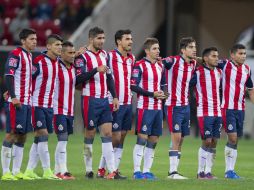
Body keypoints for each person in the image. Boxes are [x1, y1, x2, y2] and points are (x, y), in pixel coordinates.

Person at [53, 41, 107, 180]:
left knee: (62, 140)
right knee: (62, 139)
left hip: (69, 109)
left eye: (73, 52)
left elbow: (76, 84)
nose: (73, 56)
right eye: (69, 53)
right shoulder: (56, 65)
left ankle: (56, 170)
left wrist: (75, 56)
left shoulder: (71, 68)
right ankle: (64, 171)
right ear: (61, 54)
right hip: (57, 108)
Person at [74, 26, 120, 179]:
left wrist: (114, 96)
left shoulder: (105, 55)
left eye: (103, 38)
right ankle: (88, 170)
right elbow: (78, 79)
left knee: (107, 134)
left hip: (104, 99)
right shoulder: (82, 57)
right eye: (99, 38)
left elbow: (109, 77)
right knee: (90, 134)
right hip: (90, 100)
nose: (102, 41)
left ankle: (112, 171)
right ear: (91, 39)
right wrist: (95, 70)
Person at [23, 34, 63, 180]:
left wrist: (79, 53)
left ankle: (29, 171)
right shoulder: (39, 62)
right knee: (43, 134)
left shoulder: (57, 62)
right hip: (37, 104)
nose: (60, 47)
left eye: (60, 45)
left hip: (49, 106)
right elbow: (27, 79)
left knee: (39, 138)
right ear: (48, 46)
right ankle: (47, 171)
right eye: (57, 45)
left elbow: (70, 58)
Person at [97, 29, 135, 179]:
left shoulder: (132, 58)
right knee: (115, 138)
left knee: (123, 137)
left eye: (131, 39)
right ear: (119, 41)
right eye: (127, 39)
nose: (130, 41)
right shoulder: (109, 56)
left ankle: (114, 170)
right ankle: (102, 168)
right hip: (114, 102)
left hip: (128, 102)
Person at [1, 28, 37, 180]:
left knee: (22, 136)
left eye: (35, 39)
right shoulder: (15, 54)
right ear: (23, 41)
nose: (34, 42)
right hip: (17, 102)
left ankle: (16, 170)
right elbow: (8, 75)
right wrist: (14, 96)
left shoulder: (29, 56)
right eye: (31, 39)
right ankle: (5, 172)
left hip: (27, 102)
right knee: (11, 134)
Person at [131, 38, 167, 180]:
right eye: (154, 49)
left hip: (158, 108)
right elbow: (133, 85)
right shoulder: (139, 65)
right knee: (142, 138)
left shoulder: (160, 66)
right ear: (147, 51)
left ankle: (147, 171)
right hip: (145, 107)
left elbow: (163, 85)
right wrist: (152, 94)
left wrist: (165, 94)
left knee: (154, 139)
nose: (158, 51)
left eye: (158, 48)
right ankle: (136, 172)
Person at [162, 37, 197, 179]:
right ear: (183, 50)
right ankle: (172, 172)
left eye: (195, 47)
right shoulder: (173, 61)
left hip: (185, 105)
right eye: (190, 47)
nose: (194, 49)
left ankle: (175, 170)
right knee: (176, 137)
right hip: (173, 104)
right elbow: (160, 63)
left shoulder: (193, 64)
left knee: (181, 138)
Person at [218, 44, 254, 179]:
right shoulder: (226, 65)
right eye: (240, 53)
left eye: (244, 53)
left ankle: (231, 171)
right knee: (232, 137)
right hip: (228, 107)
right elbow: (208, 60)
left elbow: (250, 89)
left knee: (235, 139)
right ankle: (228, 171)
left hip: (240, 108)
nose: (243, 56)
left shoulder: (247, 69)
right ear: (232, 55)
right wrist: (192, 58)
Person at [190, 47, 222, 179]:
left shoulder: (219, 72)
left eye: (217, 56)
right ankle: (200, 172)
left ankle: (208, 172)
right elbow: (186, 86)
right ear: (206, 58)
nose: (217, 59)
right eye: (213, 56)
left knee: (214, 141)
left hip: (218, 112)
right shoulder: (198, 72)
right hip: (204, 112)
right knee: (207, 141)